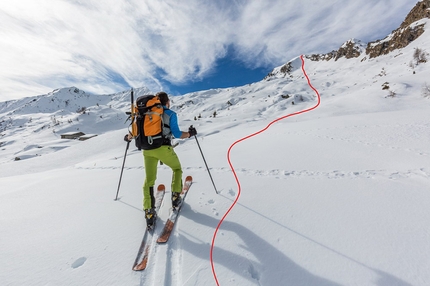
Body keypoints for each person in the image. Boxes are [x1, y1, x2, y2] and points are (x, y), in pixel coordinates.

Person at [125, 92, 197, 228]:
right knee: (176, 169)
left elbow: (134, 132)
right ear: (167, 102)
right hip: (163, 149)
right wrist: (190, 134)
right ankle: (175, 197)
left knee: (149, 180)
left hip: (147, 151)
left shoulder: (143, 114)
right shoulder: (170, 114)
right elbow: (177, 134)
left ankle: (149, 212)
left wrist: (128, 137)